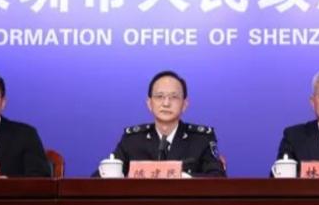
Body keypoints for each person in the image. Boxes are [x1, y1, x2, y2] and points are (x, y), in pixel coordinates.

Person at [97, 70, 226, 178]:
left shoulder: (201, 140)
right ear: (149, 104)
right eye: (159, 96)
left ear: (185, 104)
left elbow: (218, 177)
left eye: (174, 97)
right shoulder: (132, 141)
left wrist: (184, 177)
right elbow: (98, 179)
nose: (166, 103)